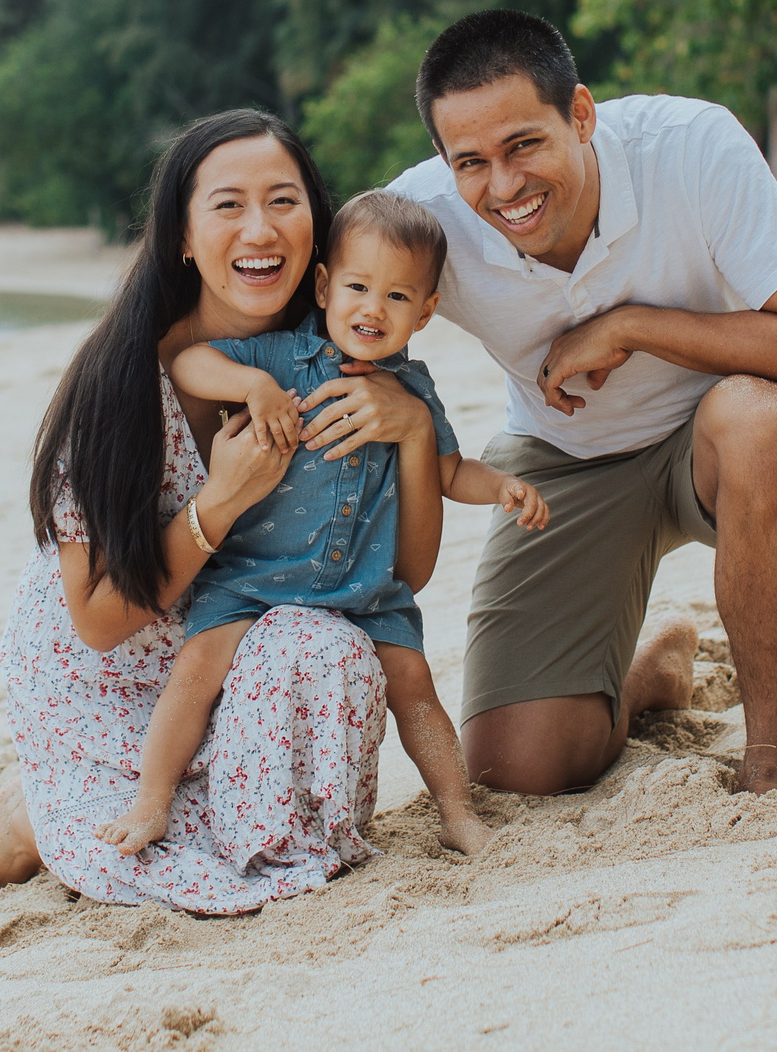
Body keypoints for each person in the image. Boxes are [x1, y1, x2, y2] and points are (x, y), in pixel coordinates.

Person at [0, 111, 455, 912]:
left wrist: (413, 432)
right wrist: (221, 500)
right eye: (228, 204)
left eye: (283, 201)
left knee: (326, 658)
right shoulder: (120, 388)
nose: (259, 229)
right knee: (160, 864)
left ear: (318, 231)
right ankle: (31, 810)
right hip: (117, 689)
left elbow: (402, 575)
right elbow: (95, 619)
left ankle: (44, 819)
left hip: (253, 666)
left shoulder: (347, 360)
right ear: (183, 237)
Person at [389, 10, 777, 797]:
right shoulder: (421, 217)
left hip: (724, 435)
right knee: (517, 768)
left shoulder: (689, 146)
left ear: (580, 114)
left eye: (523, 145)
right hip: (564, 459)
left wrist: (634, 326)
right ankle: (651, 671)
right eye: (471, 161)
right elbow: (307, 313)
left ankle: (769, 766)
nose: (504, 186)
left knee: (757, 418)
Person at [96, 189, 549, 862]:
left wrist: (503, 486)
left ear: (425, 312)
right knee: (195, 670)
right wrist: (251, 387)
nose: (373, 308)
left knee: (416, 687)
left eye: (398, 297)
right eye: (359, 287)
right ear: (324, 285)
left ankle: (457, 809)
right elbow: (189, 362)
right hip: (252, 578)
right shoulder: (280, 358)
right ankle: (153, 799)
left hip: (364, 589)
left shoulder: (415, 391)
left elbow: (451, 471)